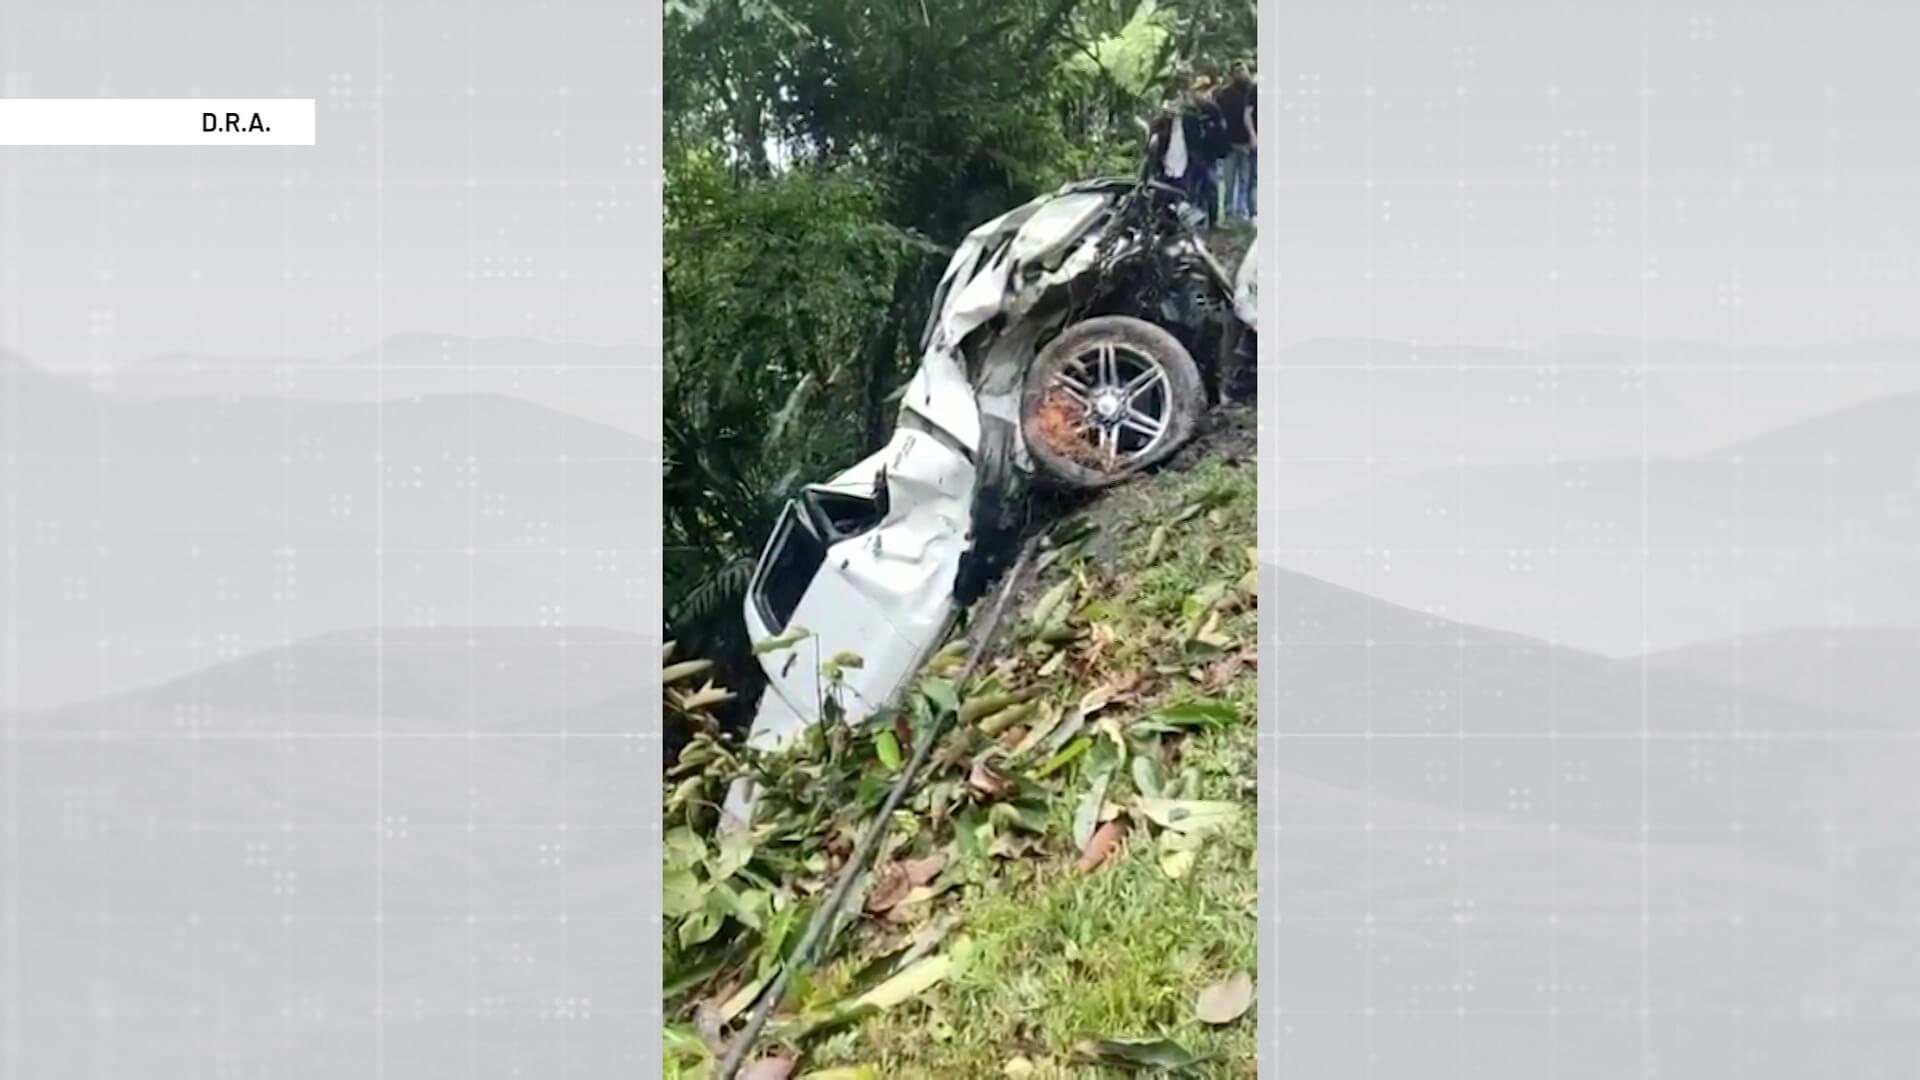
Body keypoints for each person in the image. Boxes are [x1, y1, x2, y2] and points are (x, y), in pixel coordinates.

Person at [1214, 61, 1257, 220]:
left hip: (1247, 143)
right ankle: (1228, 211)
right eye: (1237, 71)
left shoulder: (1253, 91)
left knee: (1245, 180)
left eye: (1243, 70)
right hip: (1230, 144)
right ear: (1232, 74)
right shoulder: (1224, 94)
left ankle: (1241, 211)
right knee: (1229, 180)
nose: (1241, 74)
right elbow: (1219, 118)